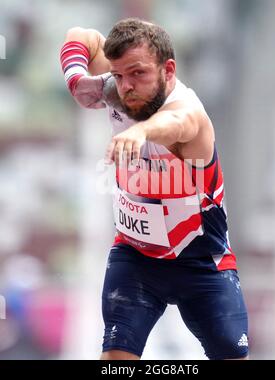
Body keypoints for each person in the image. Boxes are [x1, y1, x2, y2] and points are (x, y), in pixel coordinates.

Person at [60, 18, 249, 360]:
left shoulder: (189, 112)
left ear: (169, 70)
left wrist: (141, 132)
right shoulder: (120, 88)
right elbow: (80, 36)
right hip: (137, 257)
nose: (127, 87)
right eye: (118, 76)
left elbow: (175, 124)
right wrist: (75, 77)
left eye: (138, 74)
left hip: (202, 262)